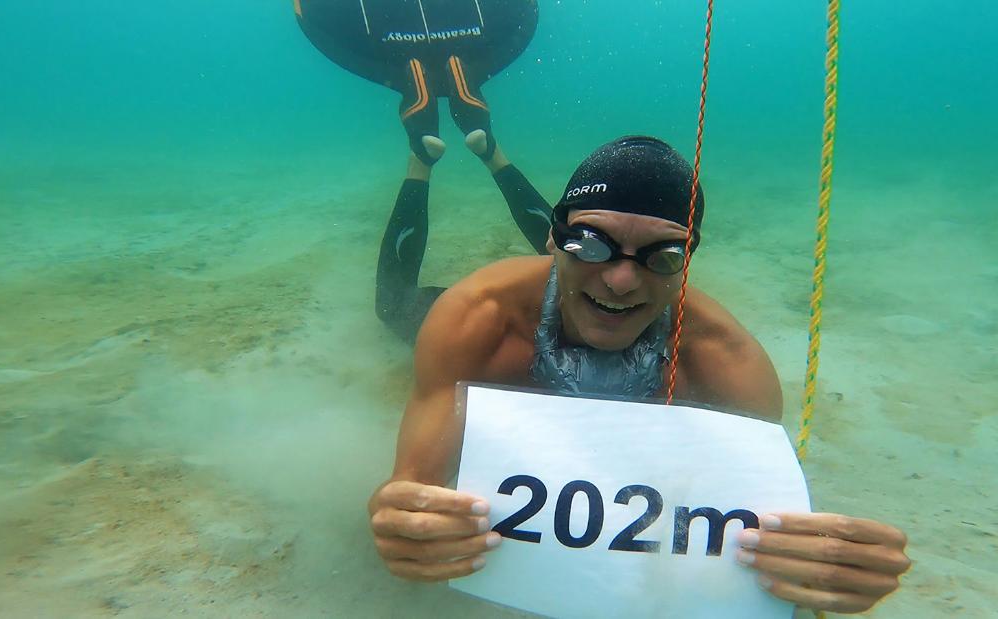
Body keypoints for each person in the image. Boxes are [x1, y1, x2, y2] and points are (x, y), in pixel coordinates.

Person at [367, 136, 912, 615]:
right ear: (556, 241)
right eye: (589, 243)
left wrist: (829, 565)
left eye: (663, 256)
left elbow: (746, 542)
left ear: (687, 261)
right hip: (515, 295)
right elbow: (411, 483)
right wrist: (397, 517)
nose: (622, 281)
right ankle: (431, 163)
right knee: (392, 308)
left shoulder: (727, 367)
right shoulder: (477, 317)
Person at [294, 0, 553, 342]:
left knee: (393, 306)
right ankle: (483, 146)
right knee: (583, 276)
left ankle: (440, 151)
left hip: (563, 311)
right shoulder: (589, 309)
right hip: (568, 313)